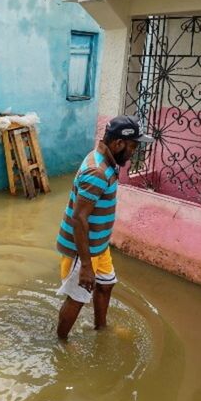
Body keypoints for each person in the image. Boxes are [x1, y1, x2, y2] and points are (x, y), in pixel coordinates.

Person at [55, 115, 152, 339]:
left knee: (106, 284)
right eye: (133, 146)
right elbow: (79, 219)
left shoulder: (107, 161)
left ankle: (101, 328)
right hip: (83, 249)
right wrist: (87, 265)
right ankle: (60, 344)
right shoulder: (97, 172)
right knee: (78, 298)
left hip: (99, 245)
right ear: (118, 143)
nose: (134, 152)